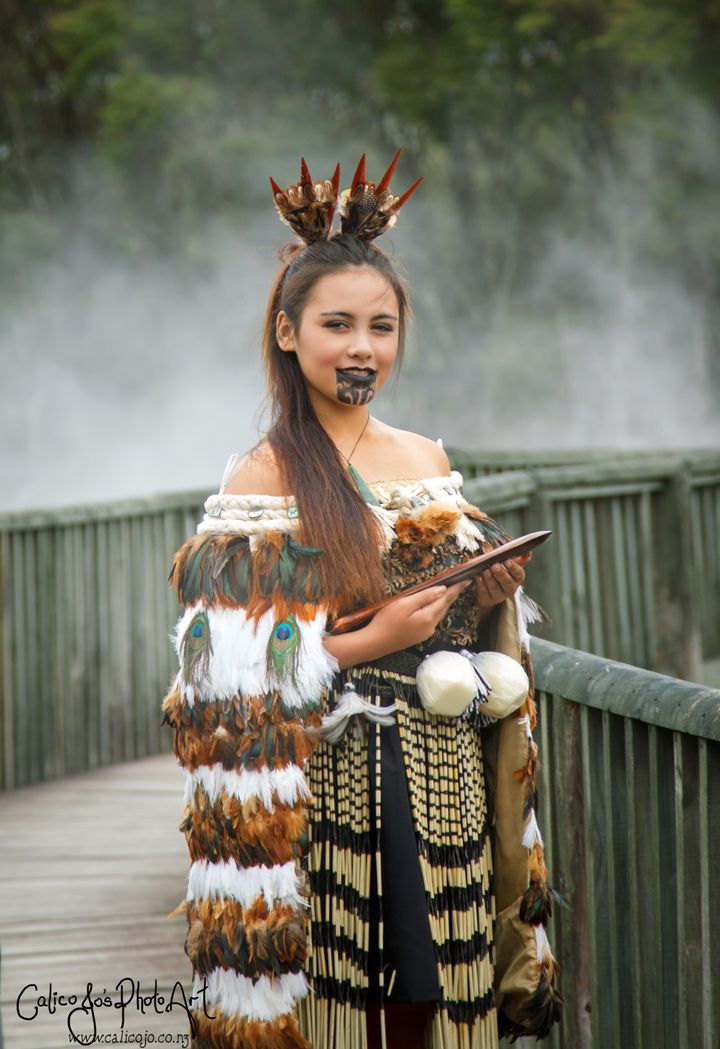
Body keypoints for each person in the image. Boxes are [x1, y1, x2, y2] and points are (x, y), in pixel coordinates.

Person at [161, 153, 561, 1049]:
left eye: (381, 326)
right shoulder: (261, 476)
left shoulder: (423, 458)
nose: (362, 348)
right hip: (337, 779)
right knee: (354, 1000)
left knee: (439, 994)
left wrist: (485, 594)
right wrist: (358, 641)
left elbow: (462, 614)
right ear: (286, 330)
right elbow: (214, 678)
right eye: (336, 324)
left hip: (445, 770)